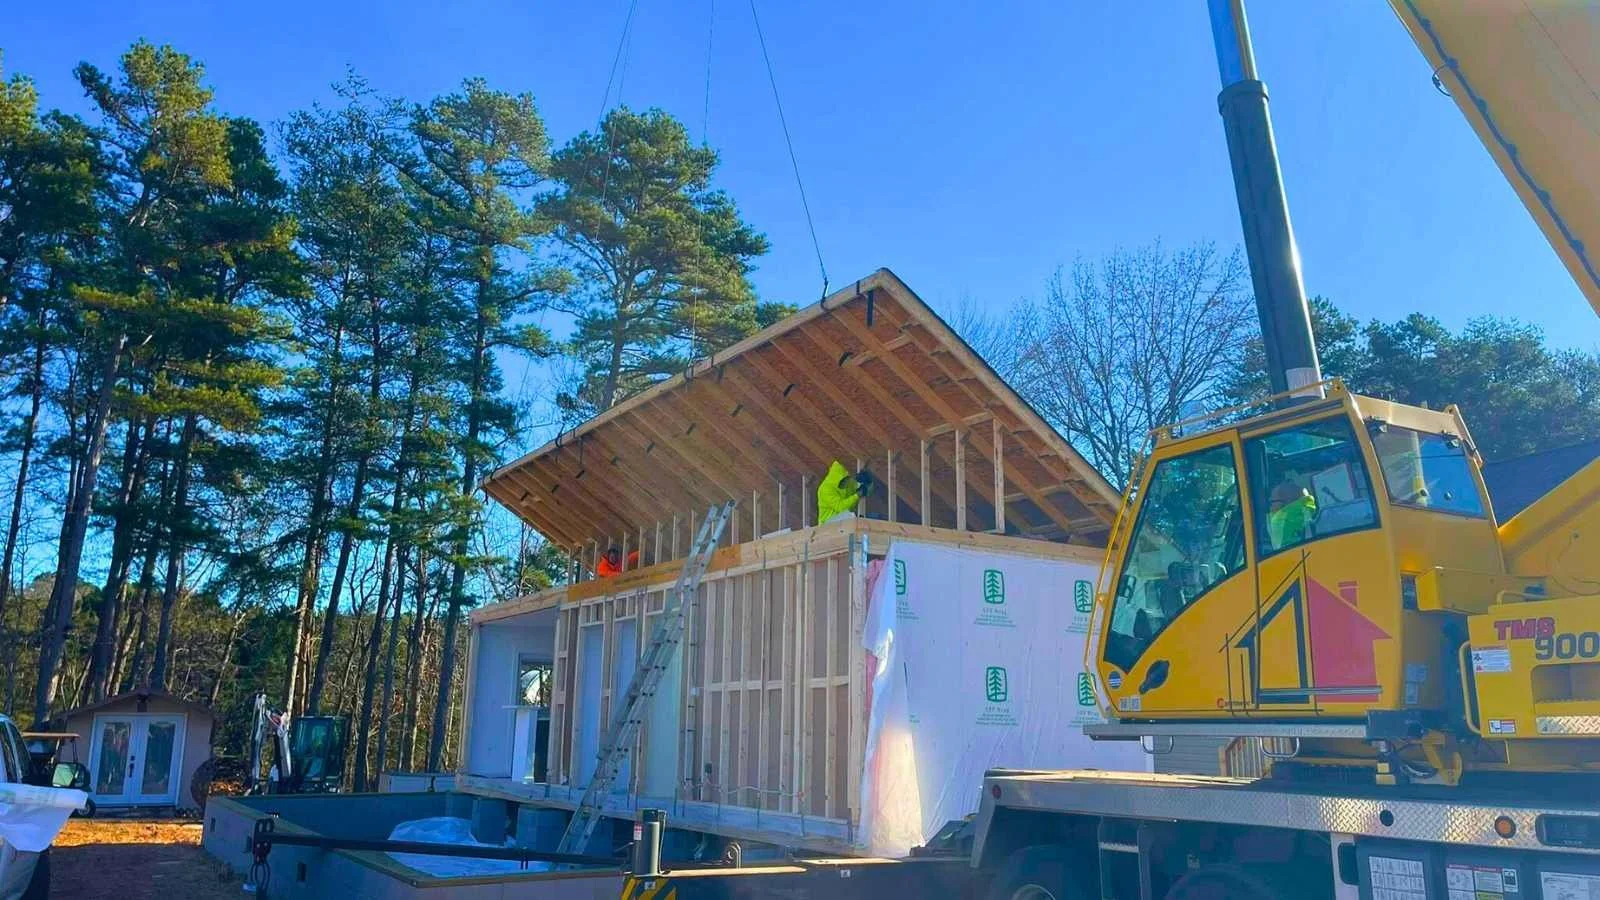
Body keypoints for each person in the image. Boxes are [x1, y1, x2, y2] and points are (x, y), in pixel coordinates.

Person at [1267, 476, 1317, 550]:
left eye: (1272, 502)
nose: (1270, 508)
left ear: (1287, 503)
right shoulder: (1312, 517)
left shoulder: (1278, 522)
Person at [817, 460, 873, 525]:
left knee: (854, 520)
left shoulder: (847, 483)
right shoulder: (826, 489)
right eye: (843, 480)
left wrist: (864, 482)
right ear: (837, 480)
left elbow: (861, 488)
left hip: (842, 523)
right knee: (850, 517)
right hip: (826, 525)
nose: (846, 483)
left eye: (846, 479)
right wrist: (857, 495)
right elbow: (840, 507)